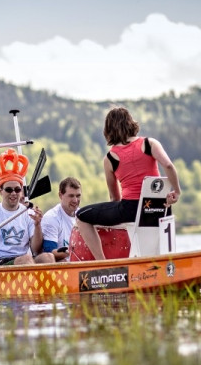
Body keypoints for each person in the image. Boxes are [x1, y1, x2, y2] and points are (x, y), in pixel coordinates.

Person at [76, 106, 181, 260]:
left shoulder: (110, 158)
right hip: (160, 207)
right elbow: (169, 166)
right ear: (131, 123)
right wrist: (176, 192)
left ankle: (102, 263)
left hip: (130, 210)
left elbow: (114, 197)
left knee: (81, 216)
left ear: (108, 130)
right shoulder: (150, 143)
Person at [41, 177, 82, 262]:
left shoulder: (82, 216)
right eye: (71, 196)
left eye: (78, 196)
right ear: (60, 195)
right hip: (61, 264)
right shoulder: (51, 218)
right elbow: (49, 253)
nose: (75, 200)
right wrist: (73, 250)